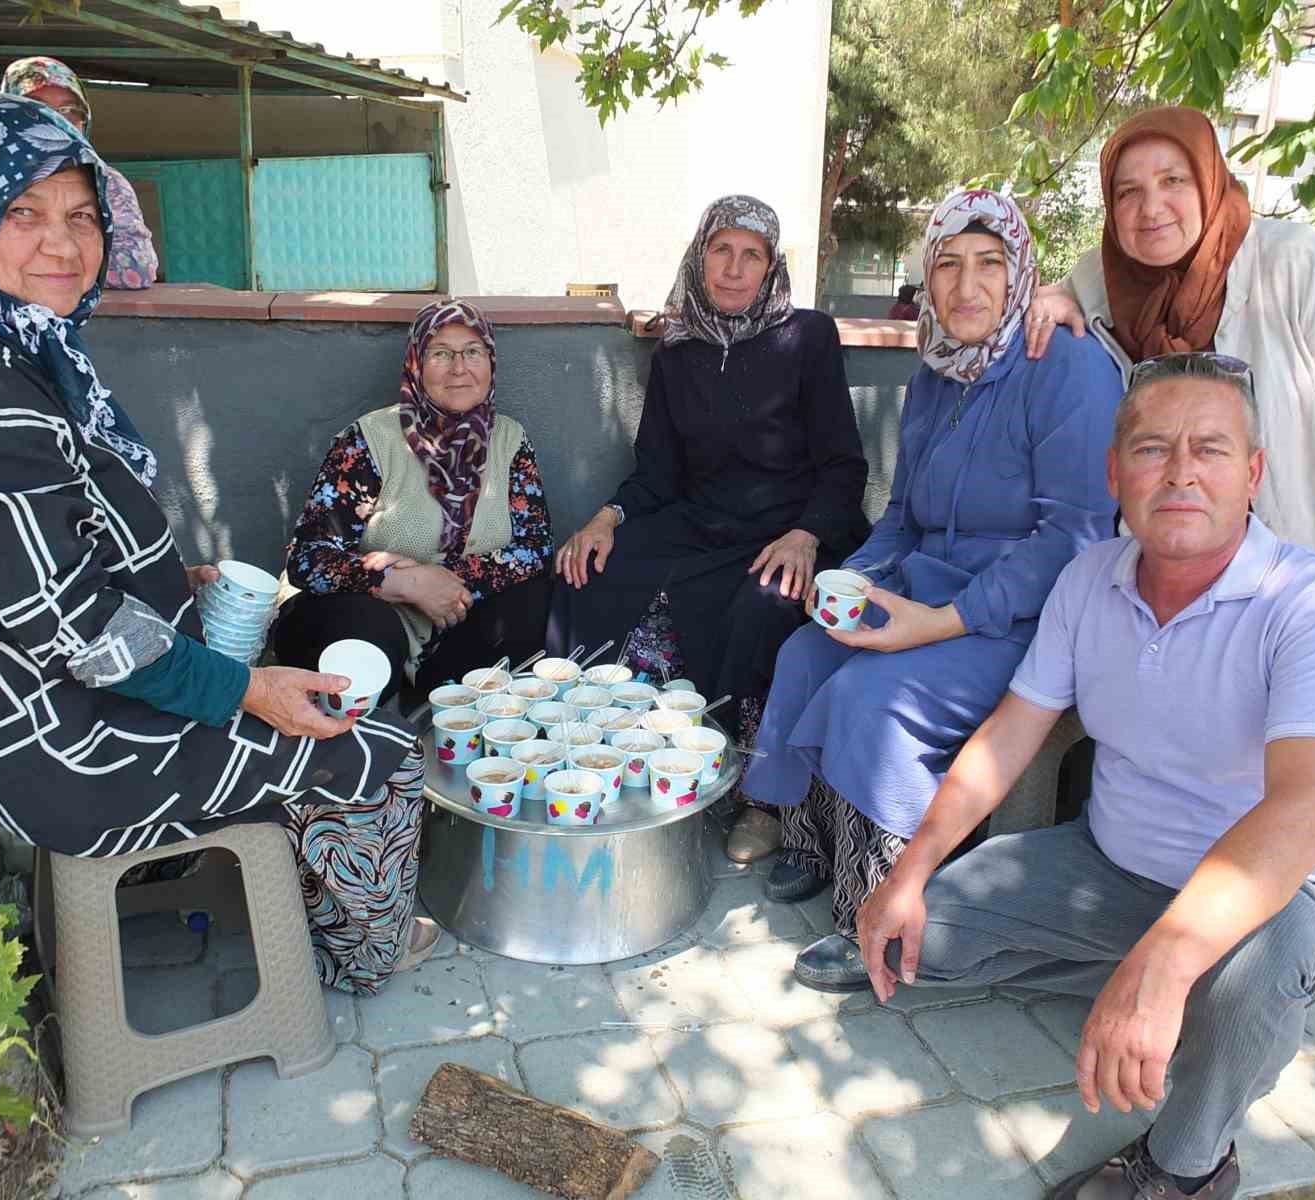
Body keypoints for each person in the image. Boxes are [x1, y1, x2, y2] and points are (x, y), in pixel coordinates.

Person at [0, 94, 435, 995]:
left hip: (60, 701)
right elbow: (77, 631)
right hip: (70, 748)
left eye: (81, 215)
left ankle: (291, 892)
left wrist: (172, 576)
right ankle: (361, 957)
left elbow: (34, 556)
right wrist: (248, 690)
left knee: (297, 691)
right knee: (379, 749)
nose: (64, 244)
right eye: (24, 212)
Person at [858, 354, 1315, 1200]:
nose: (1179, 474)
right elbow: (1008, 735)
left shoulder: (1314, 602)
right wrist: (910, 872)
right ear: (1113, 472)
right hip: (1109, 870)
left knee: (1262, 969)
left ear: (1252, 474)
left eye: (1209, 450)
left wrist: (1164, 967)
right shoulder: (1086, 578)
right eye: (1151, 449)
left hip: (1281, 905)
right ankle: (1156, 992)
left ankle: (1186, 1163)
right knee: (919, 940)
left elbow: (1309, 809)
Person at [743, 190, 1123, 992]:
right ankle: (816, 842)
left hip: (1026, 615)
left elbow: (1074, 539)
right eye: (947, 265)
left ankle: (875, 909)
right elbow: (905, 515)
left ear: (1022, 272)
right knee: (806, 652)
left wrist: (942, 622)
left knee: (879, 697)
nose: (967, 286)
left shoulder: (1066, 368)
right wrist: (860, 579)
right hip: (928, 592)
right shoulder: (934, 374)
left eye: (991, 264)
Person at [1024, 105, 1315, 733]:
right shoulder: (1114, 278)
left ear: (1210, 180)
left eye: (1173, 181)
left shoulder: (1296, 264)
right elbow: (1071, 286)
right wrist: (1057, 295)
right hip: (1228, 569)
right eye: (1128, 190)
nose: (1151, 208)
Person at [549, 195, 870, 863]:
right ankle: (600, 749)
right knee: (598, 572)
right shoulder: (678, 349)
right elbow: (657, 473)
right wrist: (608, 518)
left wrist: (808, 534)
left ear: (771, 266)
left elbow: (843, 463)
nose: (733, 268)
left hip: (792, 526)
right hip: (703, 521)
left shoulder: (807, 336)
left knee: (763, 605)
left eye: (750, 254)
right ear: (700, 257)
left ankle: (760, 797)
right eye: (721, 250)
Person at [273, 299, 553, 701]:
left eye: (472, 352)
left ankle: (446, 709)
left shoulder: (509, 439)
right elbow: (308, 559)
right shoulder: (371, 439)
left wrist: (446, 584)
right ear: (417, 364)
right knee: (367, 627)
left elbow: (535, 548)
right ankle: (371, 733)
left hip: (455, 616)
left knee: (535, 602)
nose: (459, 368)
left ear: (490, 362)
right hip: (370, 616)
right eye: (440, 353)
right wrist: (404, 582)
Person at [0, 56, 159, 290]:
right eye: (35, 108)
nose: (55, 120)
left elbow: (137, 267)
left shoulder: (106, 182)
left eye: (69, 111)